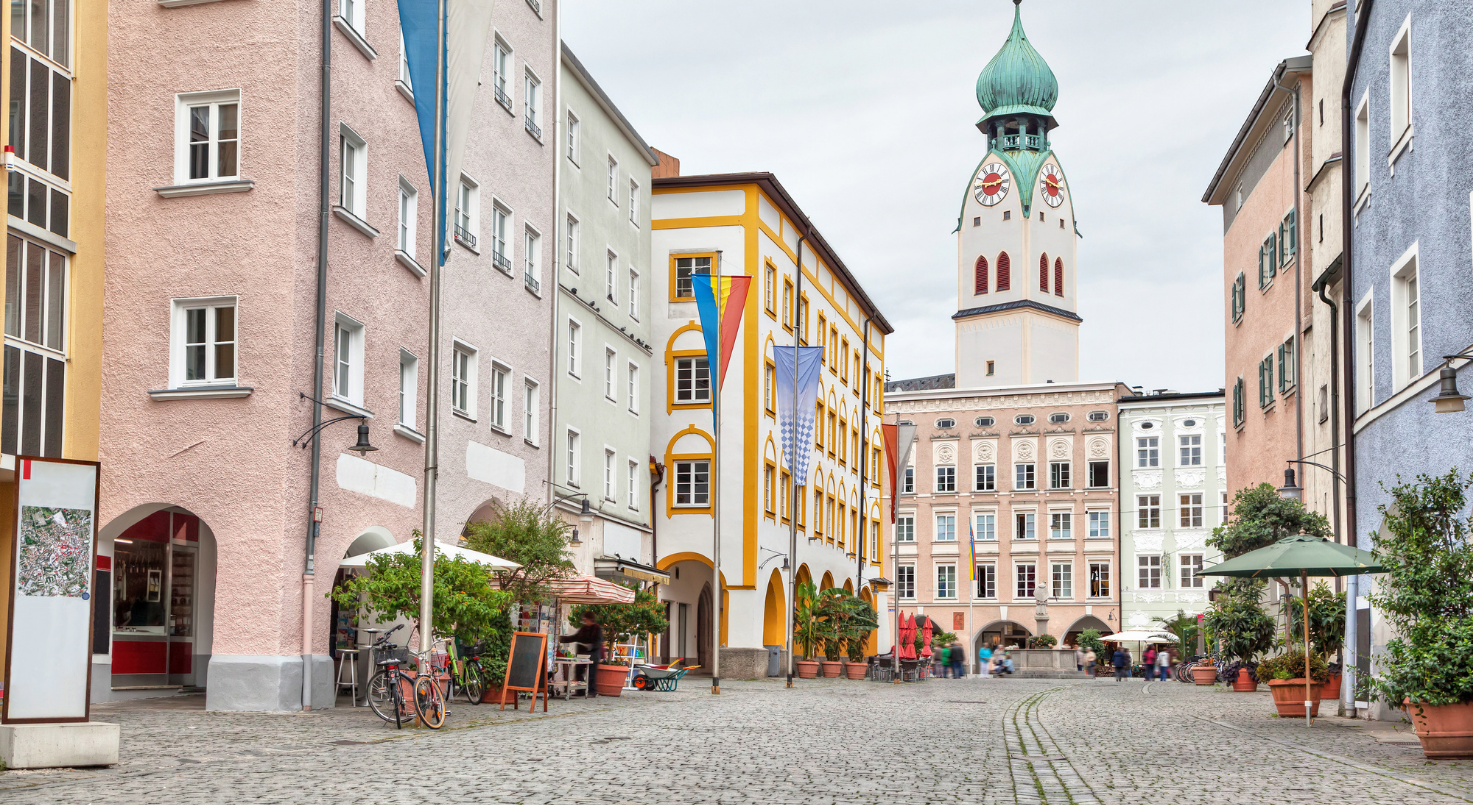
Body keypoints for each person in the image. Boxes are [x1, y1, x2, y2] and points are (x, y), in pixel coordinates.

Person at [557, 612, 603, 697]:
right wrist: (562, 639)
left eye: (585, 619)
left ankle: (592, 692)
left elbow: (599, 642)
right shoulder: (583, 628)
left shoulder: (597, 629)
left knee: (591, 674)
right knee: (578, 671)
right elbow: (575, 637)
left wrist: (591, 646)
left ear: (589, 619)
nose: (584, 621)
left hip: (593, 655)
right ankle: (580, 690)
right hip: (582, 655)